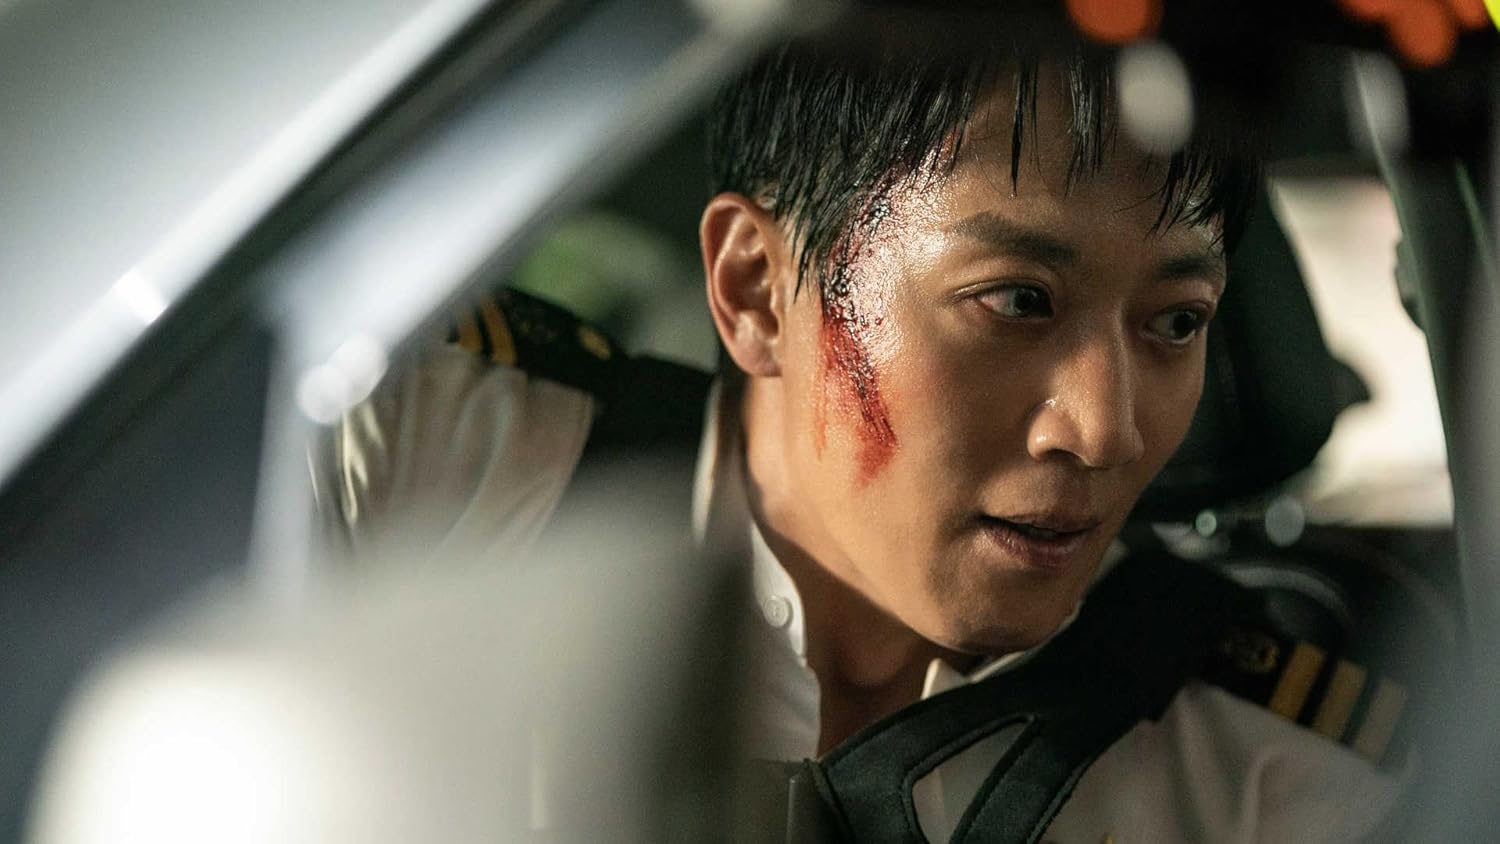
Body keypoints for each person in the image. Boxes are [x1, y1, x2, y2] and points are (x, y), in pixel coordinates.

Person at [313, 36, 1407, 842]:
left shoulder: (1276, 784)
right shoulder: (412, 456)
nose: (1104, 429)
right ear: (756, 288)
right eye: (1018, 301)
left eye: (1176, 323)